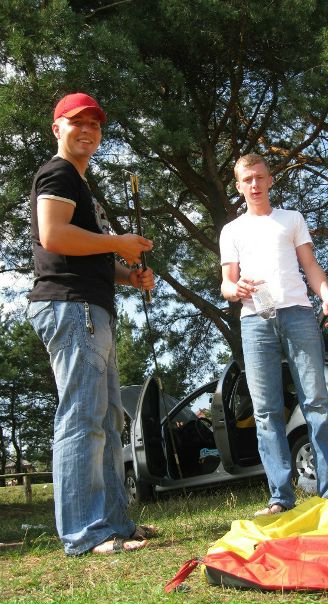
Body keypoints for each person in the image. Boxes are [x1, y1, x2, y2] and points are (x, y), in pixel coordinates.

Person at [27, 92, 157, 554]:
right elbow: (54, 235)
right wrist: (117, 241)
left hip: (91, 306)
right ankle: (85, 534)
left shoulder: (80, 185)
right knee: (82, 419)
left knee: (105, 419)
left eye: (95, 124)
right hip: (70, 305)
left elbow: (87, 252)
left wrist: (128, 274)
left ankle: (114, 523)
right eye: (77, 122)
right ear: (57, 128)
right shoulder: (58, 173)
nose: (87, 130)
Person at [219, 153, 328, 516]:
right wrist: (235, 289)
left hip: (299, 315)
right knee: (266, 410)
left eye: (260, 177)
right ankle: (280, 497)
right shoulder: (231, 231)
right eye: (247, 179)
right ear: (239, 186)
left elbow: (310, 265)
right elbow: (226, 284)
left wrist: (327, 296)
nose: (255, 184)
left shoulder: (292, 219)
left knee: (316, 401)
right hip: (255, 321)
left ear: (270, 180)